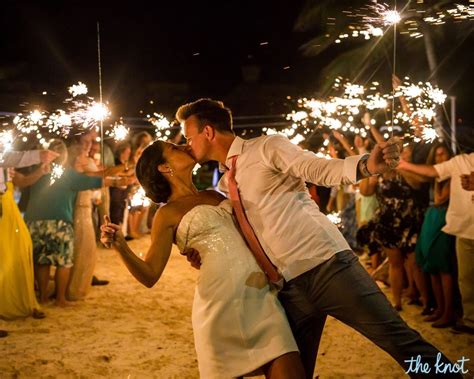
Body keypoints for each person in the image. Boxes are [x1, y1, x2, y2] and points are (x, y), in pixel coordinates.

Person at [177, 98, 459, 378]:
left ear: (209, 132)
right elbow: (246, 233)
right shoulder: (227, 182)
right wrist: (208, 250)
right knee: (289, 373)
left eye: (189, 137)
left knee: (399, 341)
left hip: (328, 266)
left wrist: (365, 166)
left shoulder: (266, 147)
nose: (187, 145)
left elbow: (317, 168)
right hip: (286, 287)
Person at [100, 140, 305, 379]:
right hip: (217, 307)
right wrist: (121, 247)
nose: (185, 146)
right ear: (163, 167)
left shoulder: (216, 194)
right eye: (174, 148)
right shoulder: (167, 214)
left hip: (261, 297)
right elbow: (150, 274)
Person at [398, 152, 474, 335]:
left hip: (454, 224)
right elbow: (432, 171)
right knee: (466, 279)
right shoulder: (461, 160)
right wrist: (403, 165)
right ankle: (470, 321)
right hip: (465, 229)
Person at [0, 148, 58, 325]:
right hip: (2, 216)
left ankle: (24, 302)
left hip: (11, 215)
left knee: (21, 251)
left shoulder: (5, 165)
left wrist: (41, 169)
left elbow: (23, 180)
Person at [412, 143, 456, 328]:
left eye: (442, 154)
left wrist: (438, 178)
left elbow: (439, 200)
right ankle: (438, 308)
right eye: (436, 156)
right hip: (431, 218)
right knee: (430, 265)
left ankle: (449, 312)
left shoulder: (450, 176)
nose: (439, 159)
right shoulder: (435, 177)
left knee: (443, 266)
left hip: (443, 218)